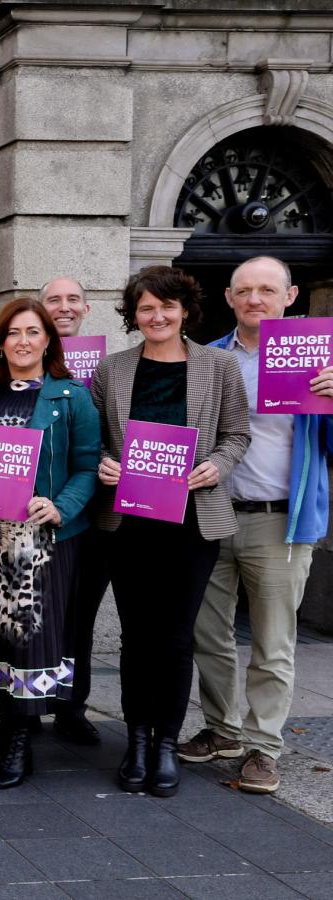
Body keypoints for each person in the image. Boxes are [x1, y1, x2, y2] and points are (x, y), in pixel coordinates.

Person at [92, 265, 250, 798]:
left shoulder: (219, 366)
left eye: (167, 306)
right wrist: (104, 463)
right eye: (145, 308)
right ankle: (136, 741)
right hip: (129, 521)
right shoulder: (111, 371)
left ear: (185, 311)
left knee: (176, 638)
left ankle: (165, 743)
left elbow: (236, 435)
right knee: (137, 639)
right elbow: (95, 440)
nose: (156, 316)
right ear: (133, 316)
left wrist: (217, 466)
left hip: (192, 522)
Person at [181, 256, 333, 794]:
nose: (255, 299)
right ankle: (222, 730)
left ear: (289, 297)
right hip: (212, 513)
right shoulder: (206, 358)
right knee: (209, 633)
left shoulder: (317, 362)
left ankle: (263, 746)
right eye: (245, 290)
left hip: (278, 522)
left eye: (267, 290)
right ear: (228, 297)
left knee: (272, 642)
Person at [0, 299, 100, 789]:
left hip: (43, 542)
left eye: (33, 332)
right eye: (13, 333)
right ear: (0, 344)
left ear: (49, 340)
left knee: (31, 639)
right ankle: (8, 728)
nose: (23, 341)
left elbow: (89, 465)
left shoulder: (72, 398)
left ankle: (18, 738)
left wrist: (63, 505)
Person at [35, 275, 106, 746]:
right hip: (36, 513)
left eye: (73, 299)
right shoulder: (25, 364)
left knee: (78, 616)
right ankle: (28, 703)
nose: (64, 307)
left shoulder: (106, 368)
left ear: (86, 309)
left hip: (92, 513)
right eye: (53, 300)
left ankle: (71, 704)